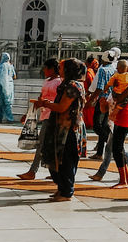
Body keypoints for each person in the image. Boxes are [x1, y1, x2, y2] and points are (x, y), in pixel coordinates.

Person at [32, 58, 87, 201]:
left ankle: (66, 192)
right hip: (62, 126)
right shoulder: (69, 84)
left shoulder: (73, 86)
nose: (59, 69)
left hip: (68, 128)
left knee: (66, 161)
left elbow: (63, 107)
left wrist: (45, 103)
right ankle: (62, 189)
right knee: (58, 160)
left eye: (61, 67)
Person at [91, 57, 128, 185]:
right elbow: (110, 101)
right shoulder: (122, 80)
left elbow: (121, 97)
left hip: (124, 115)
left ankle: (121, 178)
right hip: (118, 116)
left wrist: (114, 91)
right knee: (116, 147)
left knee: (116, 148)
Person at [18, 59, 61, 181]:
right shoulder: (47, 81)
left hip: (53, 115)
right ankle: (54, 171)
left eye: (45, 68)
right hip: (45, 114)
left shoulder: (59, 82)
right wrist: (28, 113)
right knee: (48, 144)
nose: (44, 70)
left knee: (42, 144)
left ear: (52, 69)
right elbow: (40, 98)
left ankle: (33, 171)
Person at [86, 48, 118, 160]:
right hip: (111, 100)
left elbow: (99, 88)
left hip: (102, 101)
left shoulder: (103, 70)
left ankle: (111, 142)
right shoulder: (114, 69)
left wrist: (90, 101)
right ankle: (100, 152)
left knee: (96, 126)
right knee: (104, 125)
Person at [0, 52, 16, 124]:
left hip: (4, 86)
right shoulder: (11, 66)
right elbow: (14, 76)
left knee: (5, 102)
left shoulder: (3, 65)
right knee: (3, 102)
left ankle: (10, 118)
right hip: (10, 86)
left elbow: (0, 76)